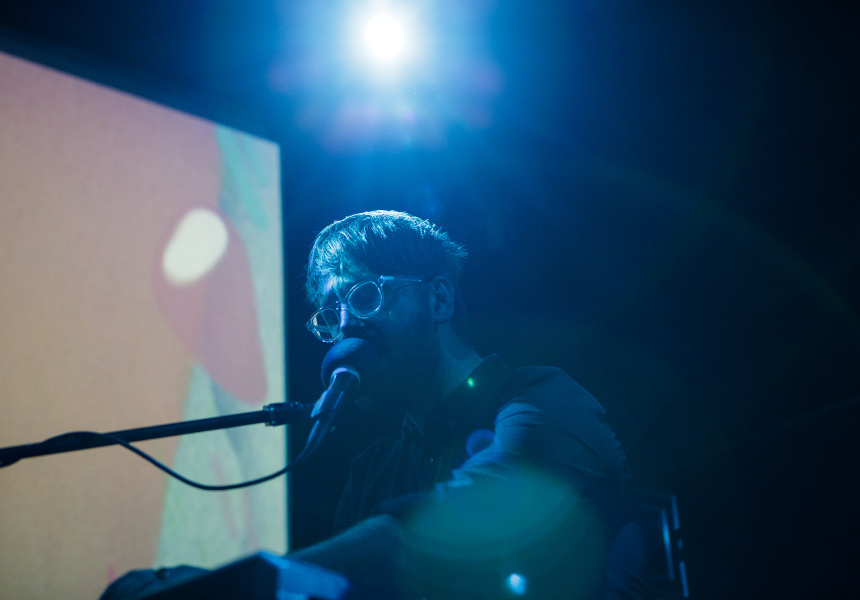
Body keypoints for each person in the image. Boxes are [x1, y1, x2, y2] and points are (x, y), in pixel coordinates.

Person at [102, 210, 648, 600]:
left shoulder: (541, 399)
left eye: (364, 295)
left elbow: (467, 527)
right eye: (331, 313)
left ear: (438, 298)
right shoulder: (373, 470)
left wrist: (230, 586)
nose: (347, 326)